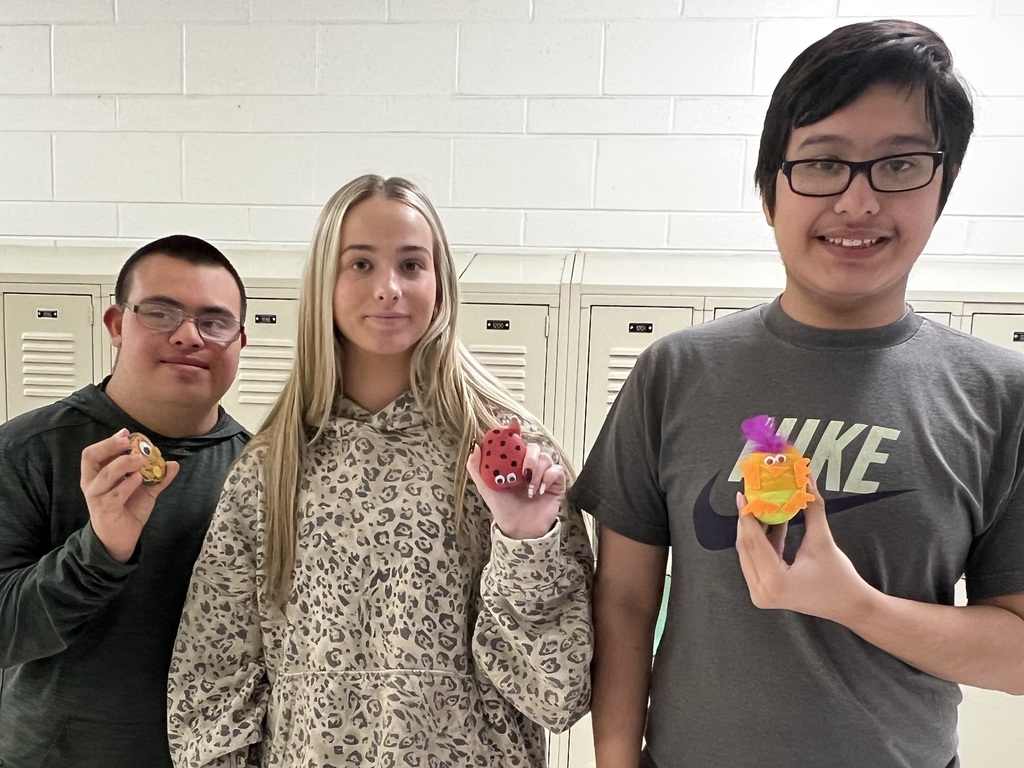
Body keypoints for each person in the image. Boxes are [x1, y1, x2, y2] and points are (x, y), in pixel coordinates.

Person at [571, 19, 1024, 768]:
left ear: (941, 188)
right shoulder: (675, 373)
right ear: (769, 190)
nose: (858, 202)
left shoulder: (999, 395)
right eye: (823, 164)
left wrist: (853, 604)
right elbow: (622, 601)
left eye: (900, 165)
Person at [167, 174, 593, 767]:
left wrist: (526, 542)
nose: (389, 288)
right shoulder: (271, 467)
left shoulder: (509, 455)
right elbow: (212, 680)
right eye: (360, 264)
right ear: (325, 283)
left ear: (440, 284)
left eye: (412, 265)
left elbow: (558, 694)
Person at [0, 235, 250, 768]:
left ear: (240, 342)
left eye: (215, 321)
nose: (189, 336)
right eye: (161, 312)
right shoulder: (24, 450)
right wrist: (99, 551)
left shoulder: (261, 471)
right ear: (116, 324)